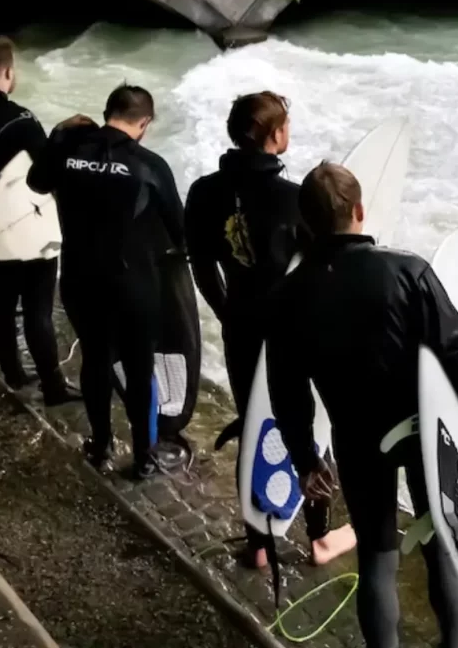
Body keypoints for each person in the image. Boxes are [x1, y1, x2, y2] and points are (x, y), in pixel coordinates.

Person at [265, 162, 458, 648]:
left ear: (306, 221)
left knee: (376, 555)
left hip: (356, 436)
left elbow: (287, 388)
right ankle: (454, 644)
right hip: (423, 432)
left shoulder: (288, 294)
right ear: (360, 210)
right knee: (441, 544)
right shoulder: (407, 270)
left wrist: (306, 458)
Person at [184, 91, 356, 568]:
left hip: (240, 323)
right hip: (292, 331)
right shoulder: (293, 198)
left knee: (254, 422)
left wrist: (225, 311)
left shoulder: (204, 191)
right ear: (275, 134)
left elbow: (200, 263)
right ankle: (318, 538)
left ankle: (258, 544)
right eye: (286, 125)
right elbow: (328, 266)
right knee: (307, 430)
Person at [27, 85, 184, 480]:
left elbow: (36, 181)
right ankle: (144, 457)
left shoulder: (68, 153)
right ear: (144, 123)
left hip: (80, 280)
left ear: (105, 111)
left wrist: (60, 133)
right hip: (134, 285)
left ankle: (100, 446)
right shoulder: (150, 164)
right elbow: (181, 233)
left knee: (95, 361)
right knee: (139, 366)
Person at [0, 37, 78, 404]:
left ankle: (14, 374)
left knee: (0, 298)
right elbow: (46, 174)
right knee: (38, 309)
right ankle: (53, 386)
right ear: (9, 72)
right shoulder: (20, 118)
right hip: (20, 227)